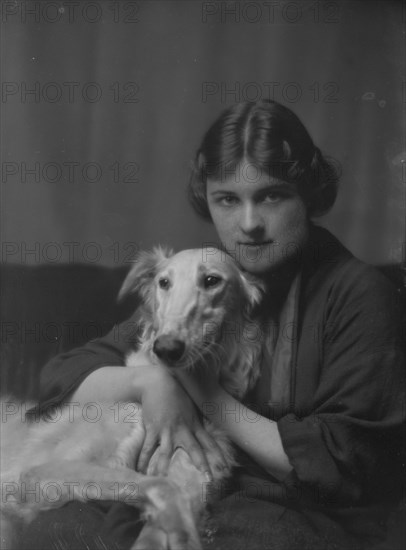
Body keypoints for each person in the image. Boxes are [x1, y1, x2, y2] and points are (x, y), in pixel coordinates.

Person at [22, 100, 404, 550]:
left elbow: (341, 467)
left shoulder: (360, 293)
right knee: (57, 528)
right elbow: (64, 379)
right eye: (227, 199)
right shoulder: (204, 276)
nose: (249, 225)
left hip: (296, 511)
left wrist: (199, 392)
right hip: (196, 488)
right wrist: (151, 384)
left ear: (308, 194)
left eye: (272, 195)